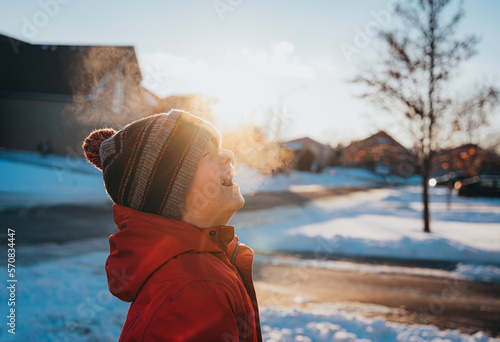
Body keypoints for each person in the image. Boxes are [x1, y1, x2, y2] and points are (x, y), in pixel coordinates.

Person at [82, 110, 262, 341]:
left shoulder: (201, 265)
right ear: (171, 196)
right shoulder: (195, 289)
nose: (228, 154)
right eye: (206, 154)